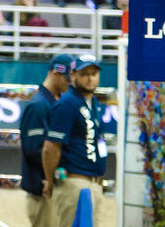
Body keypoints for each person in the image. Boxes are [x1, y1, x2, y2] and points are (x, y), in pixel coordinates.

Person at [43, 54, 108, 227]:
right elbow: (51, 146)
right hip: (75, 183)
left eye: (93, 73)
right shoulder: (67, 103)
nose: (90, 78)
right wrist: (50, 181)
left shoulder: (92, 102)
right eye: (85, 73)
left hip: (93, 182)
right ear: (73, 75)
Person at [19, 53, 73, 227]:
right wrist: (51, 174)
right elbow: (34, 150)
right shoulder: (39, 106)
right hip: (42, 190)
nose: (70, 83)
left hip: (50, 188)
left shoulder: (51, 102)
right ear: (54, 74)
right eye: (67, 79)